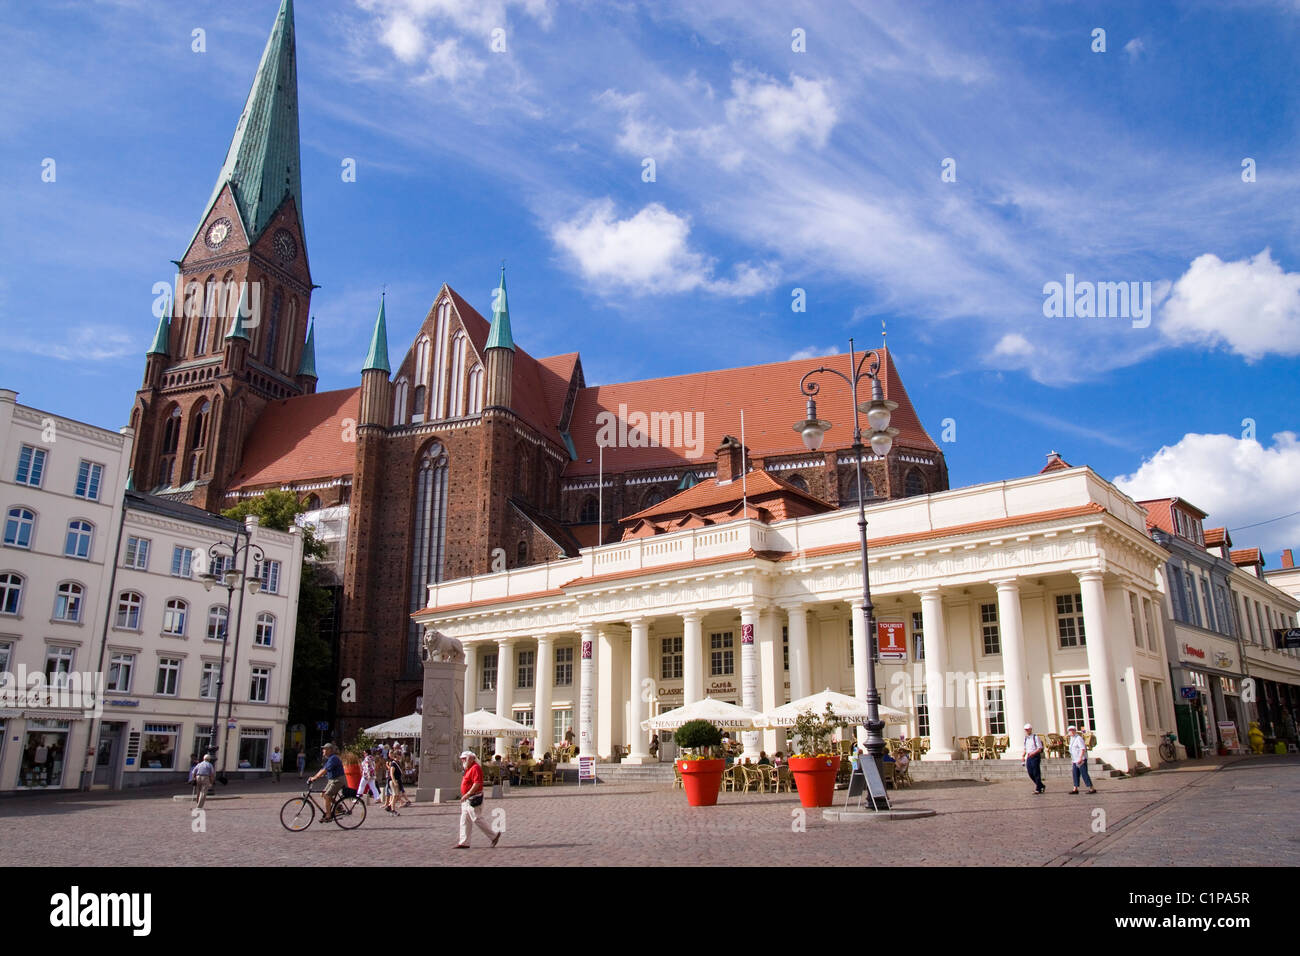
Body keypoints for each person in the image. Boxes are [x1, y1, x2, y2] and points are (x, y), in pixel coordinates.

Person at [455, 751, 501, 849]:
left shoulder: (475, 768)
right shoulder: (468, 768)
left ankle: (493, 836)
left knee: (476, 818)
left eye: (464, 759)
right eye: (462, 759)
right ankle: (464, 842)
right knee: (464, 820)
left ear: (471, 758)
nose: (462, 761)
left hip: (474, 798)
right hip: (467, 798)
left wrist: (467, 794)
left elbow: (477, 783)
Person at [308, 743, 346, 821]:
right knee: (323, 794)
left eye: (324, 749)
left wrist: (315, 778)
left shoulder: (333, 758)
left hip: (338, 780)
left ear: (329, 750)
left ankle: (328, 816)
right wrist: (313, 777)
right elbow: (322, 769)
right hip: (332, 780)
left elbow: (325, 770)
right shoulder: (330, 759)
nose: (323, 751)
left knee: (327, 795)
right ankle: (338, 807)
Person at [1067, 726, 1097, 794]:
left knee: (1084, 774)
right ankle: (1075, 788)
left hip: (1081, 759)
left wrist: (1080, 758)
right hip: (1075, 759)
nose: (1070, 732)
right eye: (1069, 731)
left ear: (1075, 731)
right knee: (1075, 774)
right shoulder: (1072, 739)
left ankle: (1091, 788)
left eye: (1072, 730)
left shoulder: (1078, 738)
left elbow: (1082, 749)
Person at [1023, 723, 1046, 794]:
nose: (1027, 731)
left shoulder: (1035, 737)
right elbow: (1025, 748)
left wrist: (1033, 753)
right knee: (1030, 773)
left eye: (1028, 729)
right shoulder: (1026, 738)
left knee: (1036, 772)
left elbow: (1039, 748)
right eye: (1025, 730)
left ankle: (1038, 788)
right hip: (1029, 756)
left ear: (1030, 729)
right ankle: (1041, 785)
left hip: (1035, 756)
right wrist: (1023, 756)